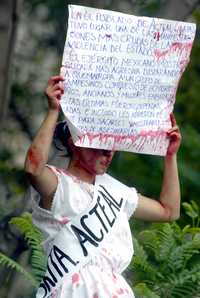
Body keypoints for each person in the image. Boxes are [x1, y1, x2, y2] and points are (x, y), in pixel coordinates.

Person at [24, 75, 181, 298]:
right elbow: (33, 168)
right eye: (101, 142)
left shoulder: (116, 191)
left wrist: (170, 156)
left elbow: (169, 211)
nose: (109, 152)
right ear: (75, 141)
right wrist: (53, 111)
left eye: (112, 144)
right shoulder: (58, 184)